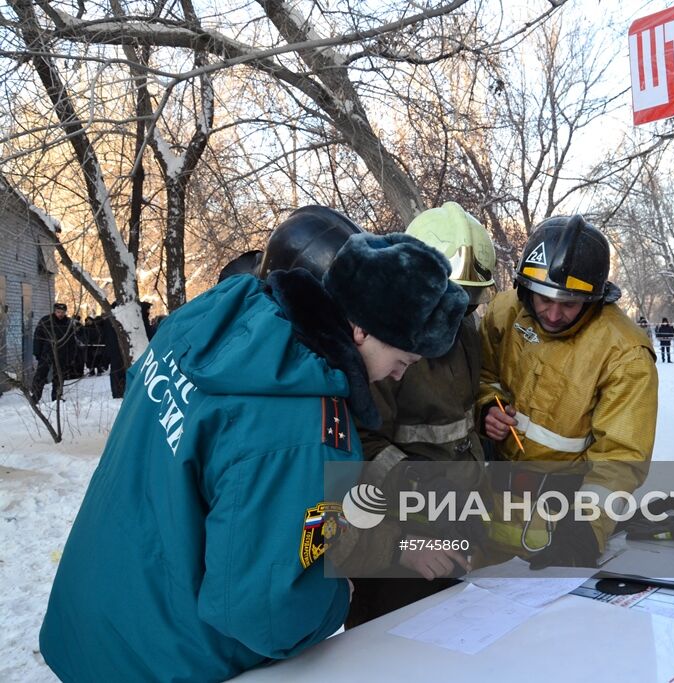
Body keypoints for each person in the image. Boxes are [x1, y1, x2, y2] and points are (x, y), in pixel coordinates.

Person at [39, 206, 469, 683]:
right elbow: (263, 612)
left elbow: (254, 508)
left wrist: (388, 546)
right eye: (403, 360)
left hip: (96, 613)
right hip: (163, 660)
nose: (397, 374)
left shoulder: (211, 324)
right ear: (361, 328)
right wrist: (336, 596)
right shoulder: (301, 425)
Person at [346, 201, 497, 628]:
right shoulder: (384, 347)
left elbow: (462, 416)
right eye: (448, 299)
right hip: (399, 541)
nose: (456, 314)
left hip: (455, 525)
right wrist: (416, 483)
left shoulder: (466, 332)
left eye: (469, 302)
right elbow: (362, 441)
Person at [479, 215, 658, 568]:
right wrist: (487, 407)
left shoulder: (625, 354)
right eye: (544, 299)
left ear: (594, 299)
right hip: (488, 511)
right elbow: (483, 375)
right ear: (525, 288)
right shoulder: (506, 311)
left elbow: (620, 459)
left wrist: (583, 534)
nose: (553, 314)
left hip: (560, 524)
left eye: (569, 303)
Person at [30, 302, 75, 403]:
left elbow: (72, 341)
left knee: (59, 376)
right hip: (46, 351)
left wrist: (71, 356)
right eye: (58, 312)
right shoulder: (46, 321)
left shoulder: (68, 323)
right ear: (54, 311)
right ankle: (35, 396)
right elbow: (38, 337)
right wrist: (37, 352)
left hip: (62, 352)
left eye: (62, 312)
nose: (60, 314)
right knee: (41, 374)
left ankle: (57, 396)